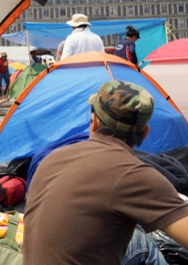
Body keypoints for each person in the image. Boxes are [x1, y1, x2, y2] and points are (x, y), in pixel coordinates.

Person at [24, 80, 188, 264]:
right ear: (145, 132)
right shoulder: (135, 176)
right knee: (144, 245)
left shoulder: (50, 159)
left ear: (93, 122)